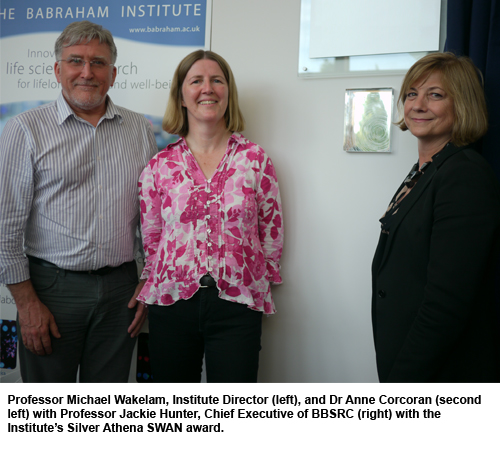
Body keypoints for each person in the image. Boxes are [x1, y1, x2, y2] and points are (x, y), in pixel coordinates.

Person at [0, 21, 158, 382]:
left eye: (98, 63)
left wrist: (147, 279)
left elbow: (154, 219)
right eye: (75, 61)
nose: (87, 72)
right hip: (51, 291)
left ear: (114, 74)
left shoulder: (139, 129)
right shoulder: (25, 129)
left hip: (122, 291)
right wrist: (26, 303)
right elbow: (5, 228)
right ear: (58, 70)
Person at [138, 50, 283, 383]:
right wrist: (149, 281)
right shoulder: (159, 167)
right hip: (171, 303)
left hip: (237, 305)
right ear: (181, 95)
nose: (208, 88)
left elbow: (271, 231)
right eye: (197, 81)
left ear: (228, 93)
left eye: (217, 80)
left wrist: (265, 279)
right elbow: (153, 239)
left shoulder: (255, 160)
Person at [372, 52, 500, 382]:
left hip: (441, 372)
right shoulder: (425, 171)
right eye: (412, 94)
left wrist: (403, 381)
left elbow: (446, 304)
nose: (418, 105)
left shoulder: (464, 176)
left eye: (436, 95)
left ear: (463, 104)